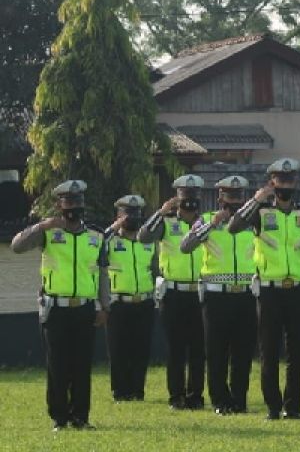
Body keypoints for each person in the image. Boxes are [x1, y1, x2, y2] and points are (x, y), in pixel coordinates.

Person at [10, 179, 108, 431]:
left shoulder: (96, 235)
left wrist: (104, 306)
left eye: (78, 202)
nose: (74, 207)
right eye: (69, 202)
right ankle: (60, 418)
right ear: (59, 205)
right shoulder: (49, 234)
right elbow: (16, 246)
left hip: (85, 308)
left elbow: (102, 274)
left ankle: (81, 417)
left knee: (82, 364)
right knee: (58, 365)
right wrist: (41, 225)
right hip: (55, 309)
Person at [229, 157, 300, 420]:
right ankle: (273, 406)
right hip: (270, 291)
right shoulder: (261, 212)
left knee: (297, 351)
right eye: (280, 180)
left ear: (296, 183)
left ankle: (294, 406)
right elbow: (234, 226)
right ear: (272, 183)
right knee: (269, 351)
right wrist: (257, 199)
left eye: (290, 180)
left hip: (298, 290)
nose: (285, 185)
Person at [181, 175, 257, 415]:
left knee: (243, 352)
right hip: (216, 297)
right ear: (220, 197)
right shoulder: (204, 220)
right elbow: (186, 246)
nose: (234, 201)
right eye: (229, 196)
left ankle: (239, 399)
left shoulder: (253, 222)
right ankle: (220, 400)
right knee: (216, 351)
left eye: (238, 197)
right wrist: (212, 224)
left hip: (245, 294)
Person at [138, 174, 206, 410]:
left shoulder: (204, 223)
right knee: (176, 348)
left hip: (200, 292)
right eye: (185, 196)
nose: (190, 201)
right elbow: (143, 236)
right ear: (177, 198)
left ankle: (195, 396)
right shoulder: (166, 223)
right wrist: (160, 211)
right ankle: (176, 396)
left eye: (194, 195)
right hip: (174, 293)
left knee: (198, 348)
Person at [103, 194, 157, 402]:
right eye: (128, 214)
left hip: (143, 302)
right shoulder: (111, 241)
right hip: (118, 303)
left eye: (136, 214)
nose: (133, 218)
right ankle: (120, 391)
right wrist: (114, 227)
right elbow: (97, 246)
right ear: (119, 216)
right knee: (118, 349)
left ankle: (137, 390)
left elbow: (155, 268)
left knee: (141, 349)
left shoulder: (148, 242)